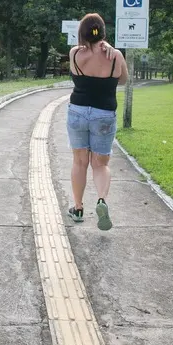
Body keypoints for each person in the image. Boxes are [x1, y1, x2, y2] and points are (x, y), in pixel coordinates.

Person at [66, 13, 127, 229]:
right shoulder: (116, 56)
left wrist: (93, 44)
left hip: (78, 111)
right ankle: (101, 200)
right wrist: (108, 48)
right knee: (100, 165)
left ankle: (78, 207)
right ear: (102, 32)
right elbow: (123, 79)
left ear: (82, 33)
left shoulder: (74, 54)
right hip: (104, 114)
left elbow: (81, 57)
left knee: (79, 162)